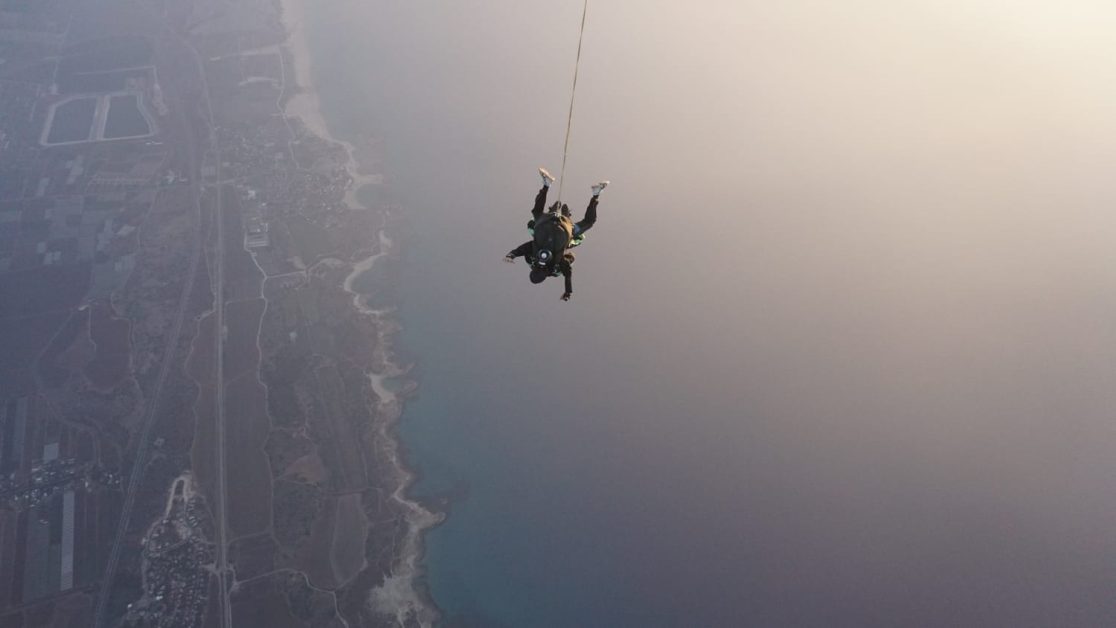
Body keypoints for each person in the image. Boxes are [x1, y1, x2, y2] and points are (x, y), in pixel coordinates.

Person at [504, 167, 608, 301]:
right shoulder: (542, 262)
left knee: (588, 222)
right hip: (554, 227)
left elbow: (567, 271)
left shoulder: (550, 265)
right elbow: (526, 248)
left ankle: (595, 195)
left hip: (561, 229)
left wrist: (568, 292)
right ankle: (547, 185)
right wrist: (512, 254)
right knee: (537, 212)